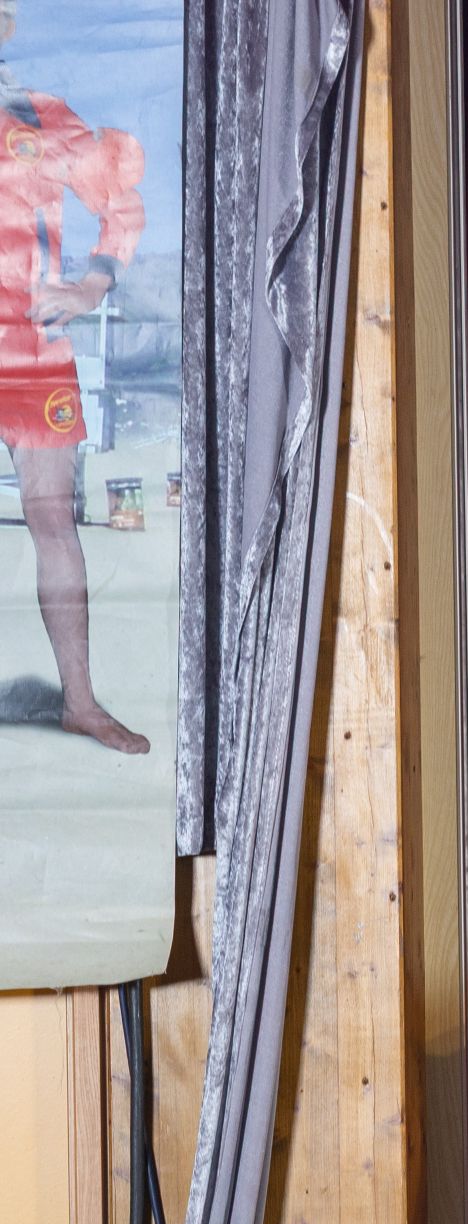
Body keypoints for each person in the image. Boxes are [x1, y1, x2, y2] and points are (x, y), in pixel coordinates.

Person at [0, 3, 145, 755]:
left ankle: (80, 704)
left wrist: (91, 287)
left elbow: (118, 200)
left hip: (30, 349)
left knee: (52, 518)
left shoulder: (40, 116)